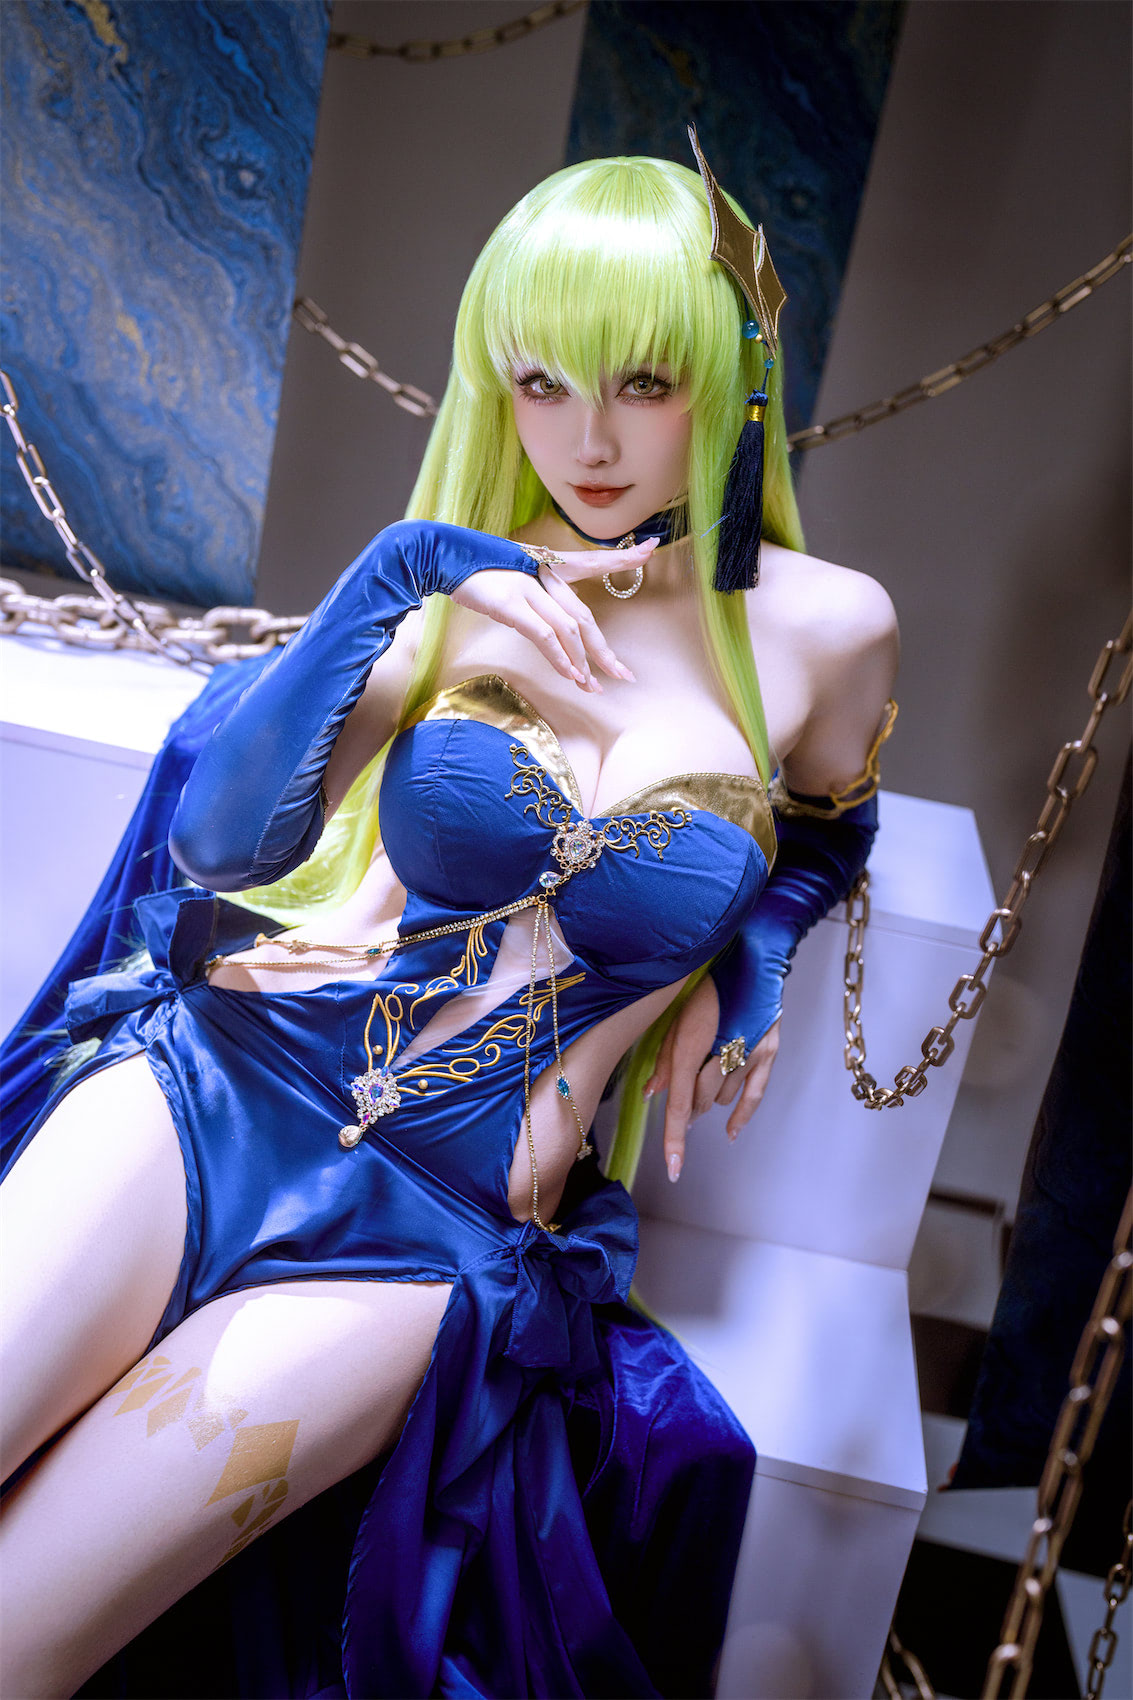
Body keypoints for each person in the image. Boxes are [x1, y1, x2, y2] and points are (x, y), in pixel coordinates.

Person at [0, 150, 897, 1699]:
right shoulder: (476, 580)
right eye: (540, 383)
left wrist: (746, 962)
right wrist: (393, 579)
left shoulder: (830, 629)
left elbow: (829, 822)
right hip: (218, 1090)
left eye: (642, 382)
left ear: (735, 381)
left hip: (437, 1228)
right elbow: (222, 844)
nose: (588, 440)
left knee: (21, 1633)